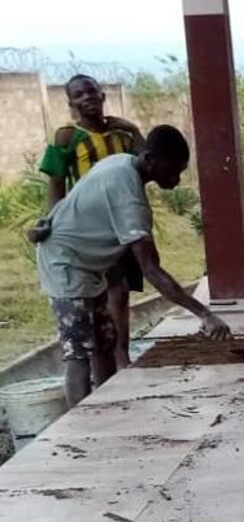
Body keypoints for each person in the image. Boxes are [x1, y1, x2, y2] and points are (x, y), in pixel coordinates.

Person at [36, 125, 231, 408]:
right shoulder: (127, 194)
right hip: (64, 263)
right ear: (149, 159)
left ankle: (107, 406)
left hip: (87, 264)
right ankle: (81, 421)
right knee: (79, 351)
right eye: (171, 170)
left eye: (179, 172)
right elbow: (151, 270)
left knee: (105, 339)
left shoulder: (123, 163)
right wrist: (205, 314)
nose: (175, 180)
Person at [31, 75, 147, 369]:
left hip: (122, 224)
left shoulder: (122, 135)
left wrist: (134, 129)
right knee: (104, 292)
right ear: (71, 103)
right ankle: (107, 361)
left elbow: (150, 162)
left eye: (92, 91)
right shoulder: (67, 137)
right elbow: (56, 183)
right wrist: (55, 222)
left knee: (120, 291)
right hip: (88, 228)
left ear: (103, 96)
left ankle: (120, 354)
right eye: (79, 95)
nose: (87, 98)